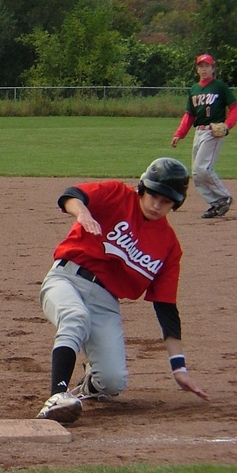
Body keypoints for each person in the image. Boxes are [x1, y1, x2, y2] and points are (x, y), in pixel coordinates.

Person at [34, 157, 211, 425]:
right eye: (153, 195)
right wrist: (82, 213)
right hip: (67, 278)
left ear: (176, 204)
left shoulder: (169, 246)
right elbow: (72, 194)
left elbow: (165, 307)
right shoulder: (118, 194)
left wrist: (179, 368)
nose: (157, 205)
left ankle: (88, 383)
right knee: (74, 316)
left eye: (167, 201)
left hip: (106, 301)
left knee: (113, 382)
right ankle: (57, 395)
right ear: (142, 188)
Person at [170, 53, 237, 218]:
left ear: (213, 68)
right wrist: (179, 134)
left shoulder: (220, 86)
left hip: (213, 131)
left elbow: (235, 107)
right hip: (199, 131)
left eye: (207, 66)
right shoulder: (194, 89)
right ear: (197, 69)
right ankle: (215, 203)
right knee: (196, 174)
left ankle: (224, 197)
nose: (203, 69)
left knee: (203, 168)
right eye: (200, 66)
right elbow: (190, 115)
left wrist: (227, 125)